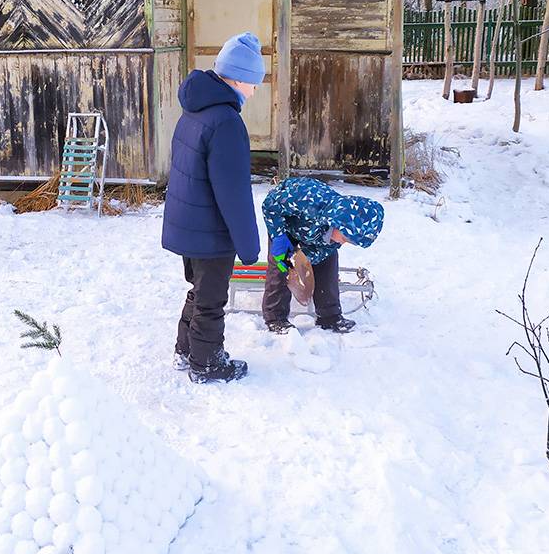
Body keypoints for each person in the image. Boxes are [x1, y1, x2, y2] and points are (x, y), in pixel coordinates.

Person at [161, 32, 264, 383]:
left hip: (190, 225)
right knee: (211, 299)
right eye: (253, 82)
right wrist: (249, 247)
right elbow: (233, 193)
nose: (255, 90)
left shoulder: (195, 111)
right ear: (237, 78)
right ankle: (207, 363)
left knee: (200, 291)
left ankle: (185, 349)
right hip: (211, 231)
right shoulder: (226, 123)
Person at [261, 177, 384, 334]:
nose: (344, 242)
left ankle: (329, 316)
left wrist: (305, 260)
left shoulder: (340, 230)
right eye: (346, 238)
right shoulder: (308, 199)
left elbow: (323, 252)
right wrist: (278, 236)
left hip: (316, 234)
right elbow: (270, 206)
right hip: (284, 225)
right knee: (281, 266)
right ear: (339, 223)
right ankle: (275, 317)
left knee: (328, 262)